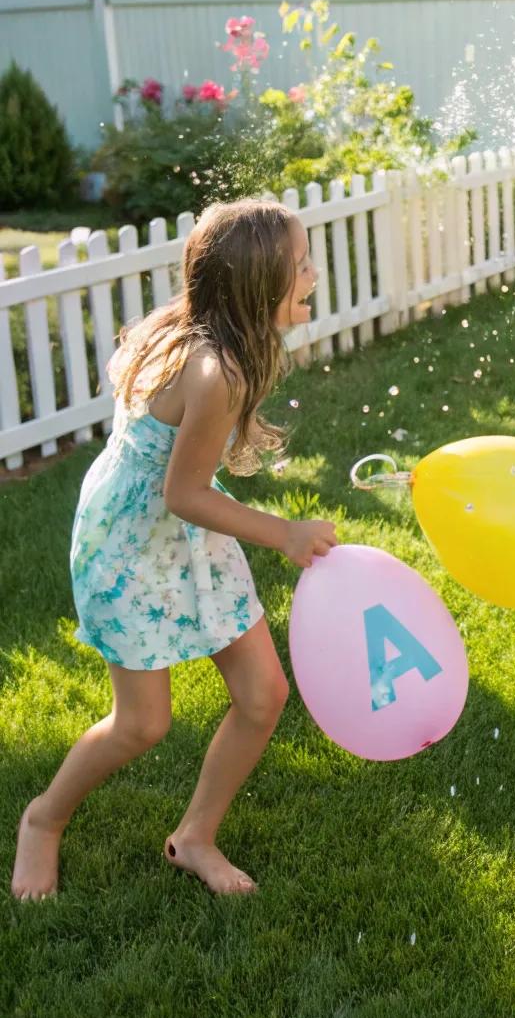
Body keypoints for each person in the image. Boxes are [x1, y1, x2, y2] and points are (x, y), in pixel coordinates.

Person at [11, 199, 338, 900]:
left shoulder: (210, 333)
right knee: (141, 724)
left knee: (262, 695)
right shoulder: (217, 371)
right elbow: (182, 493)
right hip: (133, 545)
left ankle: (194, 837)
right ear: (254, 289)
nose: (314, 272)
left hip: (182, 533)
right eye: (301, 264)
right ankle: (42, 820)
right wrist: (284, 534)